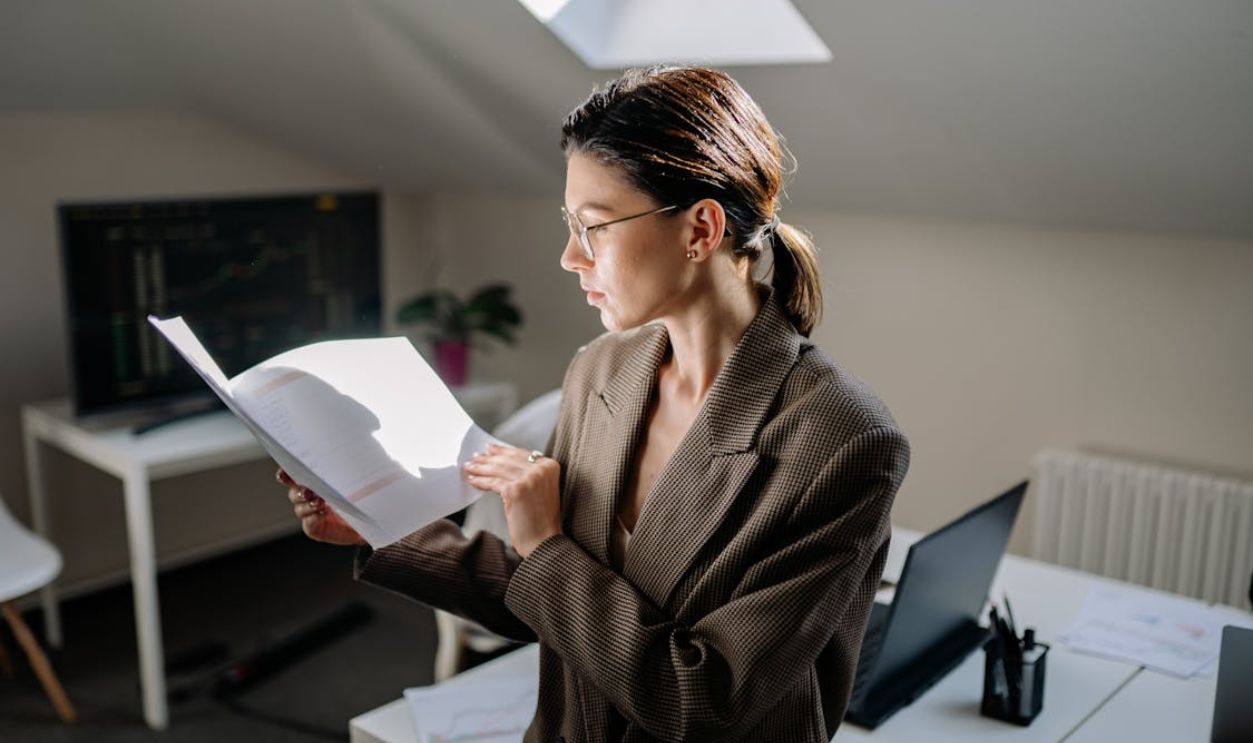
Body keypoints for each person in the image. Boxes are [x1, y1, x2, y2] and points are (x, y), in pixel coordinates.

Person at [282, 65, 910, 742]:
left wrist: (546, 541)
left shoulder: (844, 441)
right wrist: (379, 522)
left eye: (594, 226)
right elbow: (547, 596)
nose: (568, 257)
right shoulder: (599, 370)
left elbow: (703, 698)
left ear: (700, 229)